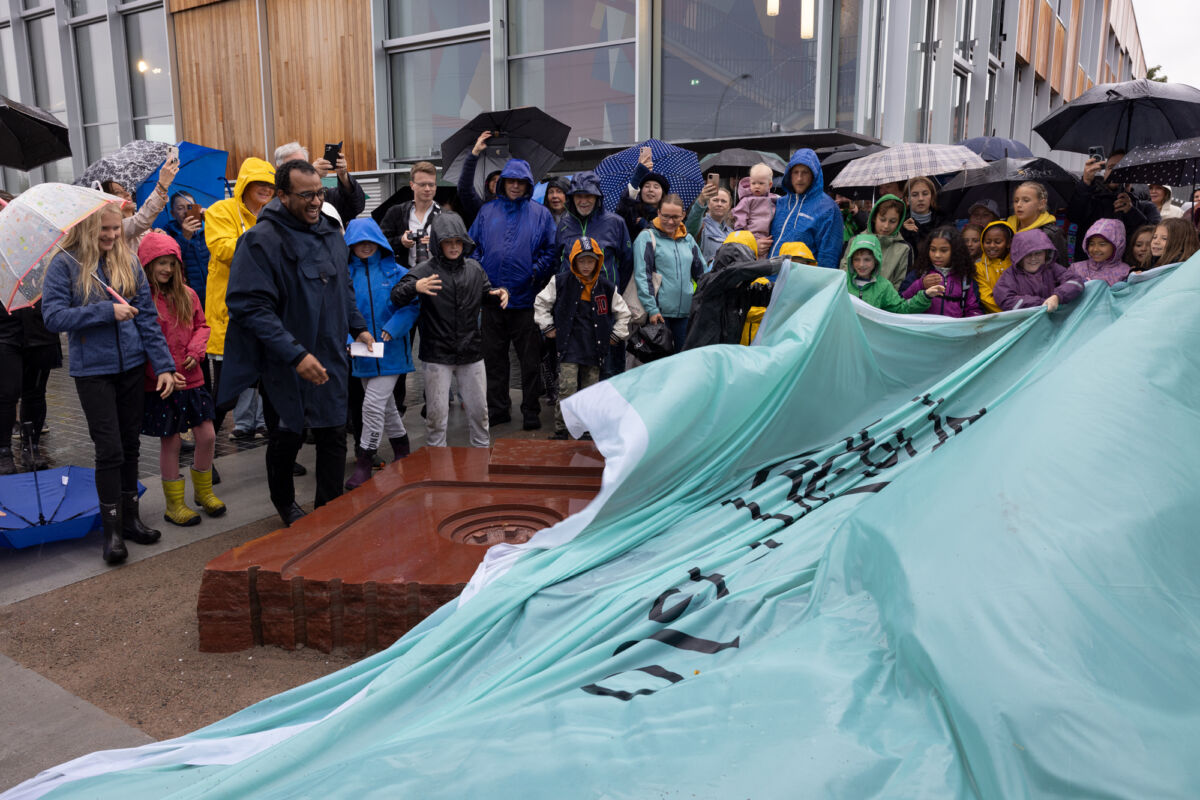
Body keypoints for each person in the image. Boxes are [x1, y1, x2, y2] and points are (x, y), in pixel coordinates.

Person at [220, 160, 373, 527]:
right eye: (306, 195)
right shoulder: (260, 240)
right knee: (287, 434)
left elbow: (344, 288)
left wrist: (359, 326)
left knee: (335, 431)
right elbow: (250, 307)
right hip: (286, 362)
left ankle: (329, 509)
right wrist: (295, 353)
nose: (316, 202)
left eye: (319, 193)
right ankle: (285, 505)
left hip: (332, 355)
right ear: (282, 195)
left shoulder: (332, 233)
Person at [41, 202, 179, 564]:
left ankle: (132, 520)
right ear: (87, 228)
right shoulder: (64, 265)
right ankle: (112, 531)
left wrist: (163, 365)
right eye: (104, 229)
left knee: (131, 445)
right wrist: (106, 311)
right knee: (110, 450)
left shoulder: (127, 261)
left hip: (132, 366)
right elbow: (53, 317)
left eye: (116, 229)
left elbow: (148, 317)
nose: (112, 235)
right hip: (93, 372)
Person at [460, 139, 558, 429]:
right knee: (494, 360)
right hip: (491, 300)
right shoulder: (487, 211)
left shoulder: (541, 214)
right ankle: (498, 409)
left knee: (529, 362)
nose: (515, 186)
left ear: (528, 185)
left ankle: (531, 411)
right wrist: (481, 276)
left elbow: (551, 251)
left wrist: (533, 272)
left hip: (526, 300)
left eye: (521, 182)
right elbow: (472, 246)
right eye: (511, 181)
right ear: (502, 183)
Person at [390, 213, 509, 448]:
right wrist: (415, 286)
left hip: (472, 352)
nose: (454, 247)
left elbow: (487, 294)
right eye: (448, 242)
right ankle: (437, 465)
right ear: (438, 243)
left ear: (464, 243)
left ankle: (481, 459)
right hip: (437, 355)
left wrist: (500, 293)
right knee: (436, 417)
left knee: (480, 413)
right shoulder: (424, 270)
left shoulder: (475, 268)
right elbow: (396, 296)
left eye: (458, 242)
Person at [136, 233, 225, 526]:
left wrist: (196, 350)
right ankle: (175, 504)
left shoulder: (188, 294)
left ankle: (203, 492)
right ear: (148, 264)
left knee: (208, 435)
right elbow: (143, 342)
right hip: (163, 383)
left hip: (193, 377)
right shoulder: (143, 300)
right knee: (171, 442)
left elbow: (202, 326)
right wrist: (160, 371)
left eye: (172, 263)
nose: (167, 269)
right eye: (161, 263)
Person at [205, 157, 276, 451]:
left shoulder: (275, 215)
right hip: (230, 316)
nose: (265, 189)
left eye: (270, 184)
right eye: (259, 182)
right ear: (245, 184)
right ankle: (204, 455)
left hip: (268, 314)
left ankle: (281, 457)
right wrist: (262, 237)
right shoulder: (220, 211)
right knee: (225, 392)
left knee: (272, 389)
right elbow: (223, 250)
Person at [343, 219, 419, 490]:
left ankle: (364, 462)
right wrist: (350, 339)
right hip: (362, 354)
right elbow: (338, 313)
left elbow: (412, 306)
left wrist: (393, 328)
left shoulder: (398, 272)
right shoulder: (344, 277)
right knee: (385, 408)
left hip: (393, 352)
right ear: (349, 246)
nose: (365, 246)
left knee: (372, 406)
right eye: (358, 242)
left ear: (379, 242)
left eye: (370, 241)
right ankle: (402, 450)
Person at [534, 237, 631, 440]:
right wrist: (548, 326)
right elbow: (541, 303)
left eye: (591, 261)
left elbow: (624, 313)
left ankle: (586, 429)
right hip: (569, 346)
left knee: (590, 392)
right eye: (582, 261)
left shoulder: (606, 287)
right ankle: (561, 429)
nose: (586, 266)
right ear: (573, 261)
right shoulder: (560, 281)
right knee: (567, 388)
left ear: (598, 262)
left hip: (594, 349)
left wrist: (616, 335)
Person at [556, 170, 633, 378]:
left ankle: (608, 409)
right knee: (573, 368)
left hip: (604, 306)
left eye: (588, 196)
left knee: (608, 367)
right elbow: (558, 260)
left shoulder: (615, 223)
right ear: (572, 198)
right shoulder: (564, 223)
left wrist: (612, 289)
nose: (583, 201)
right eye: (579, 196)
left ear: (597, 198)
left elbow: (627, 262)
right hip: (572, 307)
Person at [633, 193, 707, 352]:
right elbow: (642, 276)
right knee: (659, 365)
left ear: (683, 215)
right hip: (659, 314)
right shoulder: (647, 237)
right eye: (666, 216)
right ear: (658, 213)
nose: (670, 221)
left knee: (683, 362)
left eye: (675, 217)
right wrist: (652, 309)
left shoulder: (688, 240)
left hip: (685, 314)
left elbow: (703, 275)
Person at [0, 293, 60, 474]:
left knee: (35, 394)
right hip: (5, 332)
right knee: (6, 395)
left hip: (40, 331)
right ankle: (4, 452)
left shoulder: (45, 264)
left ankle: (31, 447)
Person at [1066, 150, 1159, 261]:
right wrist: (1085, 183)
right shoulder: (1091, 199)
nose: (1116, 172)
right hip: (1088, 272)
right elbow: (1073, 216)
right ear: (1104, 173)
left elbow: (1155, 237)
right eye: (1111, 167)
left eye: (1123, 168)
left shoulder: (1146, 207)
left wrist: (1132, 212)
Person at [768, 148, 841, 266]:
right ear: (789, 174)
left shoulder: (828, 209)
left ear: (814, 175)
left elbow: (829, 257)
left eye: (805, 172)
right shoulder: (779, 203)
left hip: (801, 281)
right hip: (768, 279)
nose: (799, 178)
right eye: (795, 172)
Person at [844, 233, 942, 313]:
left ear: (876, 260)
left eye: (867, 259)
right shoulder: (842, 282)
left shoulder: (884, 286)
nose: (861, 264)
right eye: (856, 259)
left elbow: (901, 308)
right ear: (850, 261)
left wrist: (925, 296)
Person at [273, 141, 366, 224]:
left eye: (303, 164)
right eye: (294, 166)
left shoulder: (323, 194)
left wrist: (343, 175)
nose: (316, 202)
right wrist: (311, 177)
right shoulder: (272, 194)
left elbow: (354, 207)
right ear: (278, 169)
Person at [994, 229, 1084, 312]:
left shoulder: (1052, 268)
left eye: (1038, 253)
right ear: (1018, 256)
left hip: (1056, 321)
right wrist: (1042, 303)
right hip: (1025, 324)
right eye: (1027, 254)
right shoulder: (1010, 276)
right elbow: (1005, 299)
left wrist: (1057, 297)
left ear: (1046, 253)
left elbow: (1075, 281)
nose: (1033, 258)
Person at [901, 226, 983, 318]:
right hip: (923, 329)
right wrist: (920, 284)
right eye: (933, 249)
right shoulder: (919, 273)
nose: (937, 255)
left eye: (944, 250)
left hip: (952, 331)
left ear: (955, 251)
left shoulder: (965, 279)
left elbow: (973, 309)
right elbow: (901, 301)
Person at [104, 155, 179, 250]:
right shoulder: (117, 228)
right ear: (107, 202)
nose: (127, 194)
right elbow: (142, 220)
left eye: (125, 190)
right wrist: (162, 185)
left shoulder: (146, 226)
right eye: (118, 192)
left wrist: (158, 237)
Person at [838, 194, 911, 290]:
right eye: (882, 219)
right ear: (873, 217)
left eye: (892, 221)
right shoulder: (855, 240)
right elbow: (844, 271)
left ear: (899, 222)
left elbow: (900, 282)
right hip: (853, 299)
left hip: (885, 302)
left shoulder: (903, 248)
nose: (886, 226)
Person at [379, 161, 441, 268]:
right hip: (406, 275)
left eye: (431, 184)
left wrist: (436, 244)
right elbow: (379, 244)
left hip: (438, 275)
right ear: (412, 185)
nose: (427, 189)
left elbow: (456, 248)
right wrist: (401, 241)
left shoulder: (445, 216)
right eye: (422, 184)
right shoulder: (396, 213)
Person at [164, 191, 210, 309]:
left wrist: (213, 220)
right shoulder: (167, 234)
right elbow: (172, 262)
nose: (186, 212)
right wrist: (184, 237)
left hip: (213, 291)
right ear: (173, 214)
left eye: (190, 207)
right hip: (188, 296)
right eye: (180, 208)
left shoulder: (209, 229)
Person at [1007, 181, 1069, 267]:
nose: (1019, 205)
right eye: (1016, 200)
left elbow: (1062, 268)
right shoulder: (1006, 229)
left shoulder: (1052, 233)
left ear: (1041, 204)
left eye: (1026, 200)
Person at [617, 146, 669, 242]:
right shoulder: (633, 212)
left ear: (663, 193)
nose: (651, 190)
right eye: (647, 186)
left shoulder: (668, 215)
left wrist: (647, 226)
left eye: (656, 187)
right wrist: (638, 174)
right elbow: (625, 205)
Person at [1064, 219, 1130, 287]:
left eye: (1102, 244)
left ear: (1117, 245)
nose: (1095, 249)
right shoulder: (1076, 269)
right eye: (1091, 244)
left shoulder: (1124, 272)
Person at [731, 164, 779, 257]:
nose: (757, 186)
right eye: (753, 183)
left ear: (769, 185)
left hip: (768, 235)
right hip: (752, 235)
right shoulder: (747, 200)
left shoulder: (773, 198)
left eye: (761, 183)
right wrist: (740, 229)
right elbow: (740, 214)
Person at [684, 183, 734, 263]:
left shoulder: (732, 233)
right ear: (708, 204)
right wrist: (701, 201)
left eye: (723, 201)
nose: (719, 204)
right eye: (715, 200)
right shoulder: (700, 225)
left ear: (729, 206)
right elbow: (692, 223)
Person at [975, 220, 1015, 313]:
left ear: (1009, 243)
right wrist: (1010, 311)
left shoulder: (1017, 264)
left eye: (998, 242)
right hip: (993, 318)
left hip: (1018, 314)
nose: (992, 246)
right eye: (988, 242)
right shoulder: (978, 268)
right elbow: (985, 297)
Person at [899, 176, 948, 251]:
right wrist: (903, 232)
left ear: (932, 197)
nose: (920, 199)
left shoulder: (944, 223)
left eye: (925, 194)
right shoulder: (898, 224)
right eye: (915, 195)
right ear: (907, 200)